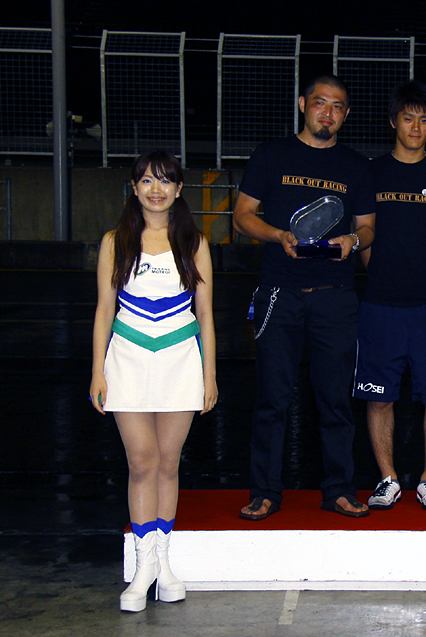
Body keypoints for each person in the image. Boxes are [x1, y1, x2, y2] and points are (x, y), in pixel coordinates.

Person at [232, 74, 373, 521]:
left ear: (346, 115)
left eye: (337, 106)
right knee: (272, 399)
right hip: (279, 292)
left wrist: (353, 239)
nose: (327, 113)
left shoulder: (356, 165)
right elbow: (241, 216)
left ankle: (339, 490)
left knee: (335, 400)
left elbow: (368, 227)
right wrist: (277, 235)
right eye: (319, 103)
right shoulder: (271, 154)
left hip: (335, 296)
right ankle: (264, 492)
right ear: (302, 104)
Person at [90, 150, 217, 612]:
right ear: (134, 187)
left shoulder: (193, 242)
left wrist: (209, 375)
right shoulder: (115, 241)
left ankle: (163, 562)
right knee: (141, 461)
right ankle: (143, 566)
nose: (156, 189)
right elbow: (105, 310)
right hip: (127, 359)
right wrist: (97, 370)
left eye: (165, 181)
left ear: (179, 189)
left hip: (180, 360)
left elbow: (205, 315)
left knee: (168, 463)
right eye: (146, 180)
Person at [353, 81, 426, 511]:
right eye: (408, 118)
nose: (416, 127)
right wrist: (386, 275)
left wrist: (419, 273)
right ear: (393, 121)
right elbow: (365, 237)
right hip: (381, 304)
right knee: (379, 395)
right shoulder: (371, 172)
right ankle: (388, 478)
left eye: (424, 120)